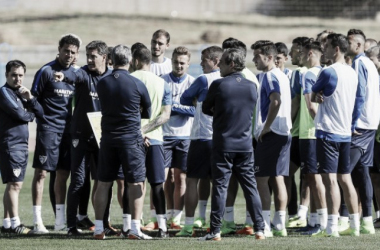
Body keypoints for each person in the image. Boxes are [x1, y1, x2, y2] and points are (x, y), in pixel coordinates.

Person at [200, 48, 265, 241]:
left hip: (223, 144)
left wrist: (219, 111)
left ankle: (215, 231)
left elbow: (205, 108)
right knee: (250, 188)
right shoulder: (252, 85)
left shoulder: (219, 85)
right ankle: (260, 229)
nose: (218, 66)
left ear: (232, 64)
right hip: (245, 145)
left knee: (220, 186)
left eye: (221, 63)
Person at [54, 40, 118, 235]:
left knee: (105, 180)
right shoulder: (83, 73)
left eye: (94, 56)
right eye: (88, 56)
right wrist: (62, 75)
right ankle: (71, 226)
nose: (89, 60)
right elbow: (73, 74)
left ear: (105, 58)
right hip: (80, 136)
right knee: (79, 180)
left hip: (103, 137)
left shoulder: (112, 77)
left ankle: (104, 224)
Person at [93, 45, 151, 240]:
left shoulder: (102, 83)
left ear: (110, 59)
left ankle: (99, 228)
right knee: (135, 183)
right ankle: (134, 228)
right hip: (130, 139)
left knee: (103, 183)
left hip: (108, 138)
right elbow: (147, 112)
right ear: (132, 60)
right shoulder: (136, 83)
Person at [31, 34, 81, 233]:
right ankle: (37, 222)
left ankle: (59, 221)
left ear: (77, 54)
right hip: (49, 130)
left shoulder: (76, 75)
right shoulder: (46, 71)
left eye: (73, 52)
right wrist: (43, 119)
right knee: (42, 173)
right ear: (59, 49)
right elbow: (33, 99)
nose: (68, 55)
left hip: (68, 131)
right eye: (66, 50)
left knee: (63, 174)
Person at [311, 33, 360, 237]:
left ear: (336, 49)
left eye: (327, 47)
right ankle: (355, 226)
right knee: (345, 179)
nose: (324, 51)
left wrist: (318, 96)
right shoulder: (351, 72)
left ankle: (331, 227)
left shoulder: (328, 71)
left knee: (330, 180)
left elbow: (314, 95)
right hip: (345, 132)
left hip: (328, 131)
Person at [175, 46, 223, 236]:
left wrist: (197, 100)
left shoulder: (204, 79)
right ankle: (218, 223)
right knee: (217, 182)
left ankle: (187, 225)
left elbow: (185, 98)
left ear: (216, 61)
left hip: (201, 136)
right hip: (219, 138)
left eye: (204, 59)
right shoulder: (227, 80)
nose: (201, 63)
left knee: (192, 179)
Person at [128, 47, 172, 238]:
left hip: (131, 139)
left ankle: (127, 225)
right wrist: (146, 131)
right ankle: (162, 227)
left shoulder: (129, 80)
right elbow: (165, 115)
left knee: (132, 182)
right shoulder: (163, 83)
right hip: (155, 139)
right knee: (157, 184)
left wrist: (138, 131)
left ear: (136, 60)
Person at [219, 37, 260, 235]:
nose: (221, 60)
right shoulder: (242, 80)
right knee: (235, 182)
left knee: (244, 183)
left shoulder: (250, 79)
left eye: (225, 55)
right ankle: (229, 221)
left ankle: (250, 222)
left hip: (244, 137)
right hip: (242, 139)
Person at [252, 40, 292, 237]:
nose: (254, 60)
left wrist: (265, 127)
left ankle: (265, 225)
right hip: (285, 132)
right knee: (278, 178)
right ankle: (280, 224)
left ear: (268, 57)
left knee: (261, 180)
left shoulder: (269, 76)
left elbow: (276, 101)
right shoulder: (283, 75)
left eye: (257, 57)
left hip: (272, 133)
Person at [152, 46, 195, 231]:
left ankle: (176, 218)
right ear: (172, 61)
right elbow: (157, 109)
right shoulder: (161, 81)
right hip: (164, 135)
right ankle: (157, 217)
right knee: (160, 177)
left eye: (182, 63)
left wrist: (173, 108)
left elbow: (195, 110)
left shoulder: (193, 83)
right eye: (176, 62)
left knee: (181, 178)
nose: (179, 66)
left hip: (185, 136)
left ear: (188, 64)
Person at [0, 60, 43, 234]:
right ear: (6, 75)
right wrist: (29, 113)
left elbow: (40, 112)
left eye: (20, 75)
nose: (17, 79)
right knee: (15, 185)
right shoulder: (4, 92)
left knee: (12, 184)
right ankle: (16, 223)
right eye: (14, 75)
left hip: (20, 145)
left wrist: (30, 99)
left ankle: (7, 223)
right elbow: (19, 114)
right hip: (11, 144)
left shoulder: (21, 93)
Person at [343, 29, 379, 235]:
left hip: (361, 125)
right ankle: (366, 221)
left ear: (358, 45)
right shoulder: (369, 65)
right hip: (371, 123)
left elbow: (360, 94)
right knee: (362, 172)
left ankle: (346, 220)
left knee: (342, 172)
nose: (345, 45)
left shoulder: (358, 63)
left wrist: (353, 122)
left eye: (348, 42)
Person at [298, 40, 327, 234]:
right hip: (316, 132)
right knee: (314, 179)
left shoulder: (309, 73)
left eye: (300, 53)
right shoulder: (325, 72)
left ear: (309, 53)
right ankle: (315, 220)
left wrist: (320, 126)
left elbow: (311, 106)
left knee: (315, 179)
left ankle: (322, 223)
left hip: (311, 133)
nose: (298, 57)